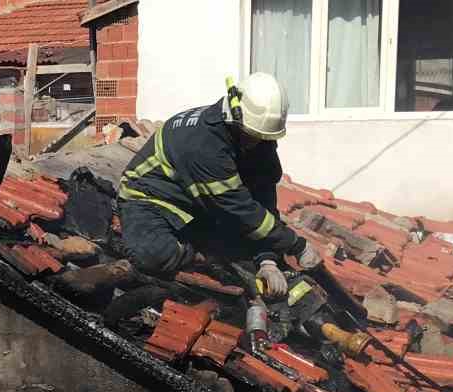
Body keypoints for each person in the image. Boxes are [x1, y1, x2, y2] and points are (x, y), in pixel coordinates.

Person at [118, 72, 321, 300]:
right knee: (153, 255)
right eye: (251, 134)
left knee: (248, 245)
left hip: (201, 203)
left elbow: (263, 202)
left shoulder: (259, 139)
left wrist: (268, 259)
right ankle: (202, 252)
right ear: (234, 117)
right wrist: (296, 245)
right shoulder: (202, 145)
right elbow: (239, 209)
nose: (256, 142)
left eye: (262, 137)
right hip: (150, 198)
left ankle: (208, 246)